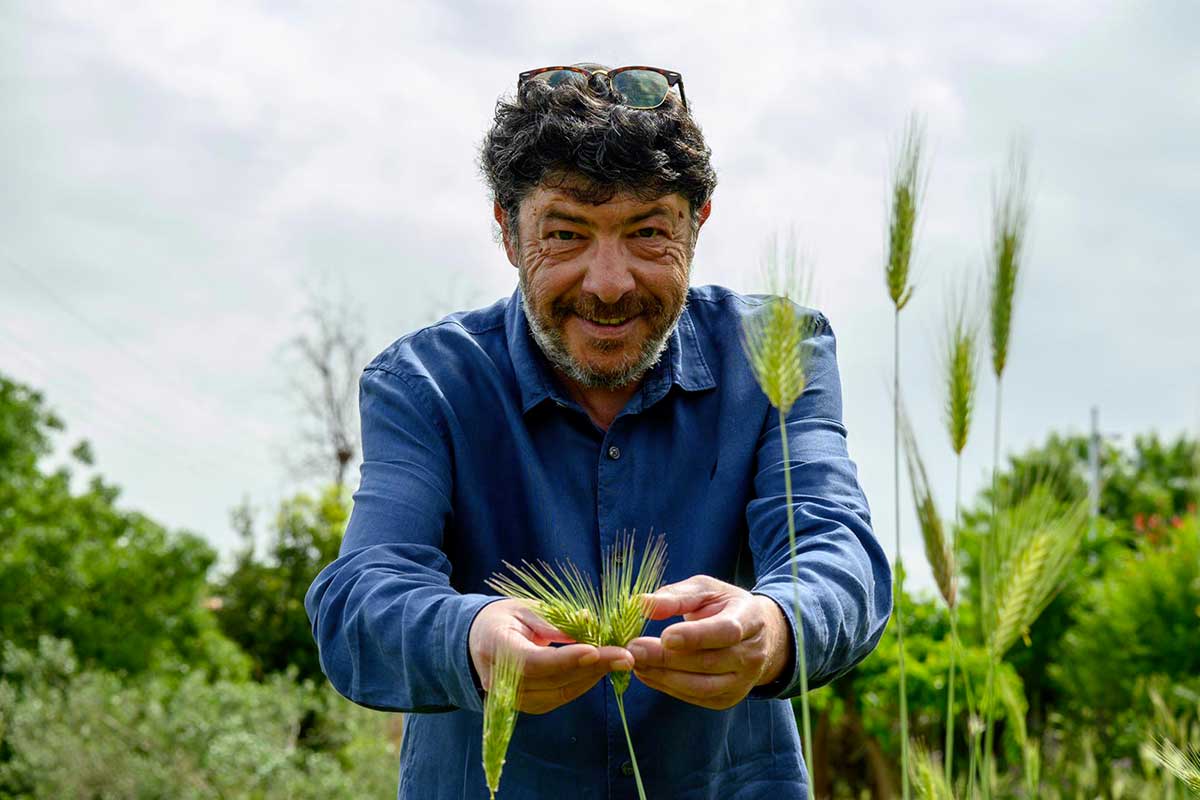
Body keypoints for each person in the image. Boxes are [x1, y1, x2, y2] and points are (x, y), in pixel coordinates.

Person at [305, 62, 892, 799]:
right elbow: (359, 599)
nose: (608, 282)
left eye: (648, 231)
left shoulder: (776, 355)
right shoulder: (424, 384)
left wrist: (773, 627)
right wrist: (470, 637)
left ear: (698, 222)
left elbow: (838, 551)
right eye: (567, 234)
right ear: (509, 232)